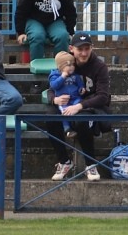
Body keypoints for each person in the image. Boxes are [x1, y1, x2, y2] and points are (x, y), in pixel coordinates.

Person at [46, 33, 113, 182]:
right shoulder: (67, 63)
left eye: (87, 48)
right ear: (71, 49)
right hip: (67, 104)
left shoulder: (100, 66)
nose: (83, 53)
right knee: (49, 116)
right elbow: (51, 88)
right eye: (79, 49)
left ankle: (90, 164)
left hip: (90, 106)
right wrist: (55, 100)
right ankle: (64, 161)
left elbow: (103, 96)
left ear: (92, 48)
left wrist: (79, 105)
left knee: (82, 119)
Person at [49, 51, 83, 136]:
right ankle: (67, 129)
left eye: (73, 65)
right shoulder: (55, 75)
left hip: (75, 98)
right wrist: (62, 77)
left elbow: (80, 84)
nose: (71, 67)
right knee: (64, 112)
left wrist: (81, 89)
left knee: (79, 107)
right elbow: (54, 86)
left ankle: (76, 125)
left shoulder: (75, 76)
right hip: (64, 101)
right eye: (68, 65)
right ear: (60, 67)